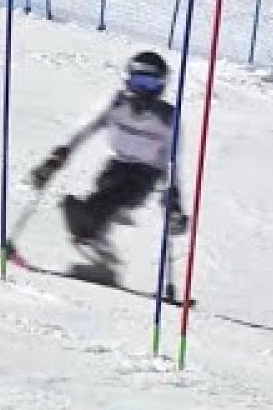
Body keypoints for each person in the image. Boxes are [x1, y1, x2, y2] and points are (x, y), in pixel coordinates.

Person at [29, 51, 188, 275]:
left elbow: (173, 160)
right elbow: (83, 128)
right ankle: (96, 247)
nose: (144, 90)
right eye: (139, 81)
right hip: (116, 165)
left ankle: (98, 246)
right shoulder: (115, 104)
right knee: (91, 208)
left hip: (146, 173)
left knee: (112, 198)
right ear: (127, 80)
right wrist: (58, 156)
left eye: (151, 83)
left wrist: (174, 199)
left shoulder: (167, 118)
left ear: (161, 86)